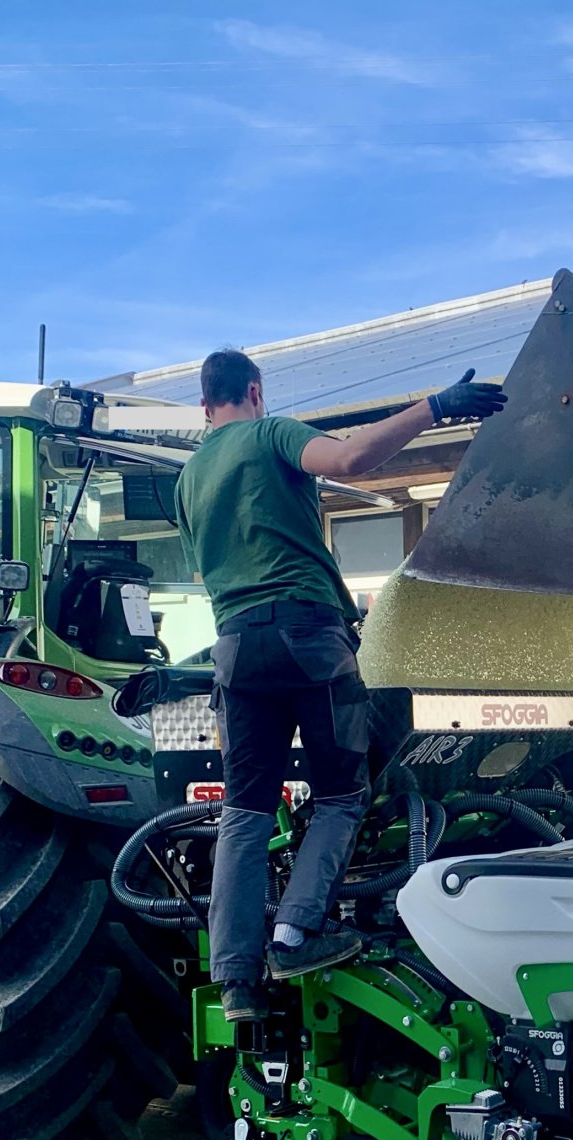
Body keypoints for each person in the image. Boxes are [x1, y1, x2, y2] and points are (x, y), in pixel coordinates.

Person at [176, 348, 506, 1020]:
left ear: (204, 405)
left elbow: (210, 569)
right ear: (255, 391)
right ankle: (296, 934)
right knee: (342, 795)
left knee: (245, 810)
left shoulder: (188, 477)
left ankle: (235, 978)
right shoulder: (270, 433)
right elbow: (351, 459)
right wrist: (435, 407)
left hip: (234, 649)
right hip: (307, 637)